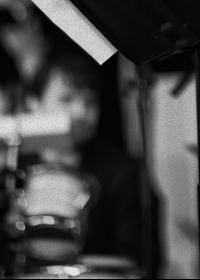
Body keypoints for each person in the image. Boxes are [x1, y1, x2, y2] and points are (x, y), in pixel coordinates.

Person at [24, 50, 160, 271]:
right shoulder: (17, 169)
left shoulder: (124, 173)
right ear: (33, 104)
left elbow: (140, 262)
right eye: (66, 99)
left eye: (90, 101)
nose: (80, 111)